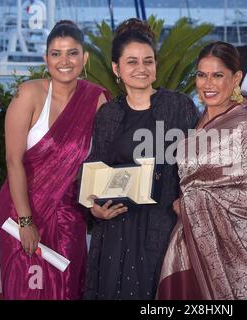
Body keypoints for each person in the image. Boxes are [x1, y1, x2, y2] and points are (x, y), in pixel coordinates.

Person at [83, 18, 199, 300]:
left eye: (148, 61)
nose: (141, 69)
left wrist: (188, 202)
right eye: (132, 62)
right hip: (116, 227)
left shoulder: (178, 106)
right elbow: (94, 170)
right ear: (116, 69)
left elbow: (197, 166)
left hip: (164, 226)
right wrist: (93, 207)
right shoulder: (109, 114)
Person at [0, 20, 110, 299]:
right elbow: (13, 160)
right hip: (22, 209)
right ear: (46, 58)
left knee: (68, 285)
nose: (64, 61)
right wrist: (25, 221)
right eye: (56, 53)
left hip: (70, 211)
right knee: (29, 287)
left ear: (84, 58)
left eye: (72, 53)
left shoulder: (96, 99)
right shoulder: (29, 94)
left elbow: (101, 160)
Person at [157, 41, 247, 300]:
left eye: (217, 75)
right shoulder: (200, 119)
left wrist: (190, 202)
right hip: (190, 242)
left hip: (237, 257)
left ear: (236, 78)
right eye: (201, 75)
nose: (207, 84)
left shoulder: (244, 124)